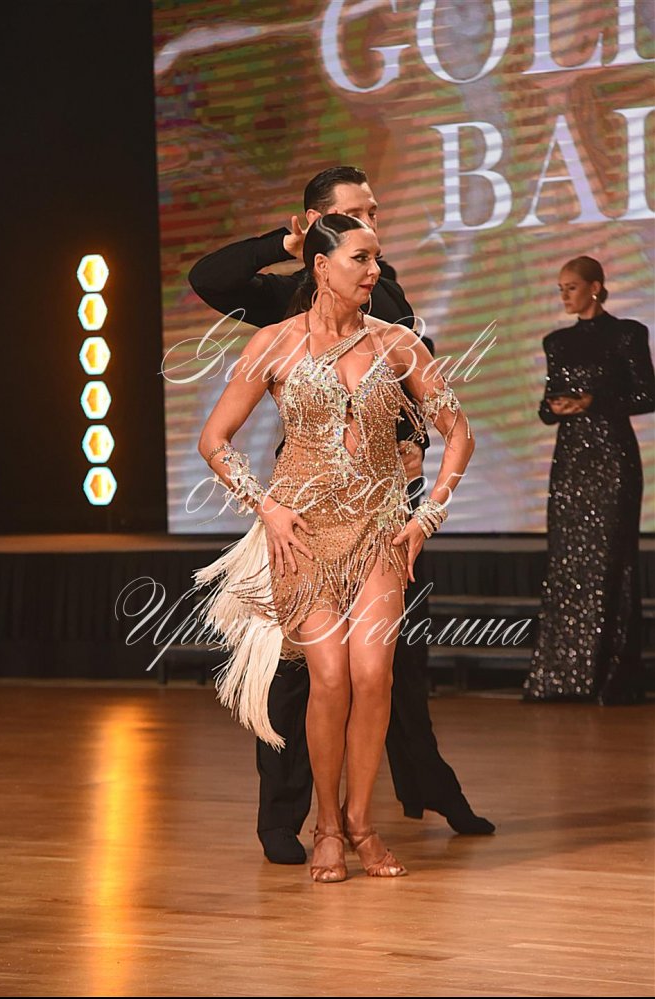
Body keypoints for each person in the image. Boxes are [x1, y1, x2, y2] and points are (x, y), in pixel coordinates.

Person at [190, 166, 494, 866]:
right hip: (303, 530)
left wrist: (426, 515)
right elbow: (214, 439)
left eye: (376, 246)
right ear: (320, 260)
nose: (375, 262)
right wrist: (267, 508)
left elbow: (457, 430)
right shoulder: (274, 331)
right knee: (322, 679)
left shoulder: (395, 334)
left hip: (382, 527)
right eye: (361, 246)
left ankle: (361, 824)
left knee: (378, 677)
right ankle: (320, 825)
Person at [525, 256, 655, 704]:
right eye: (561, 288)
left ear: (595, 287)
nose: (564, 295)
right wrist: (556, 408)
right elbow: (546, 405)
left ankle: (610, 678)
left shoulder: (627, 334)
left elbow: (647, 395)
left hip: (613, 459)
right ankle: (563, 678)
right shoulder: (557, 342)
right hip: (571, 460)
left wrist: (593, 402)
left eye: (572, 287)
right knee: (567, 561)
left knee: (612, 560)